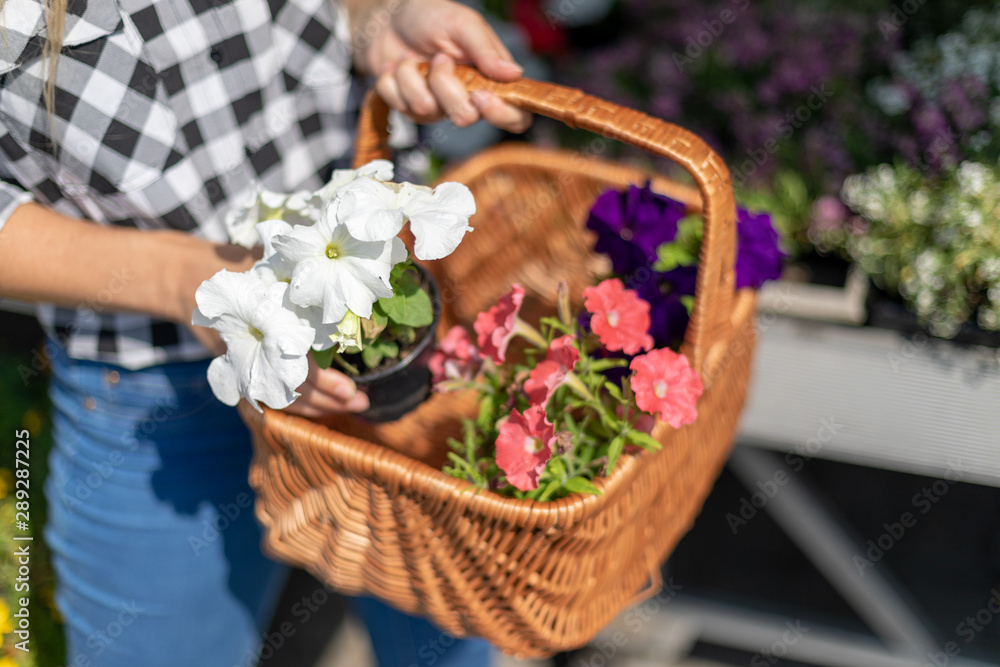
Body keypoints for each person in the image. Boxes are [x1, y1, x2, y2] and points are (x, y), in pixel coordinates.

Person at [0, 0, 530, 663]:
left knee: (444, 640)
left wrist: (379, 24)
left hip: (363, 344)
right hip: (151, 383)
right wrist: (188, 279)